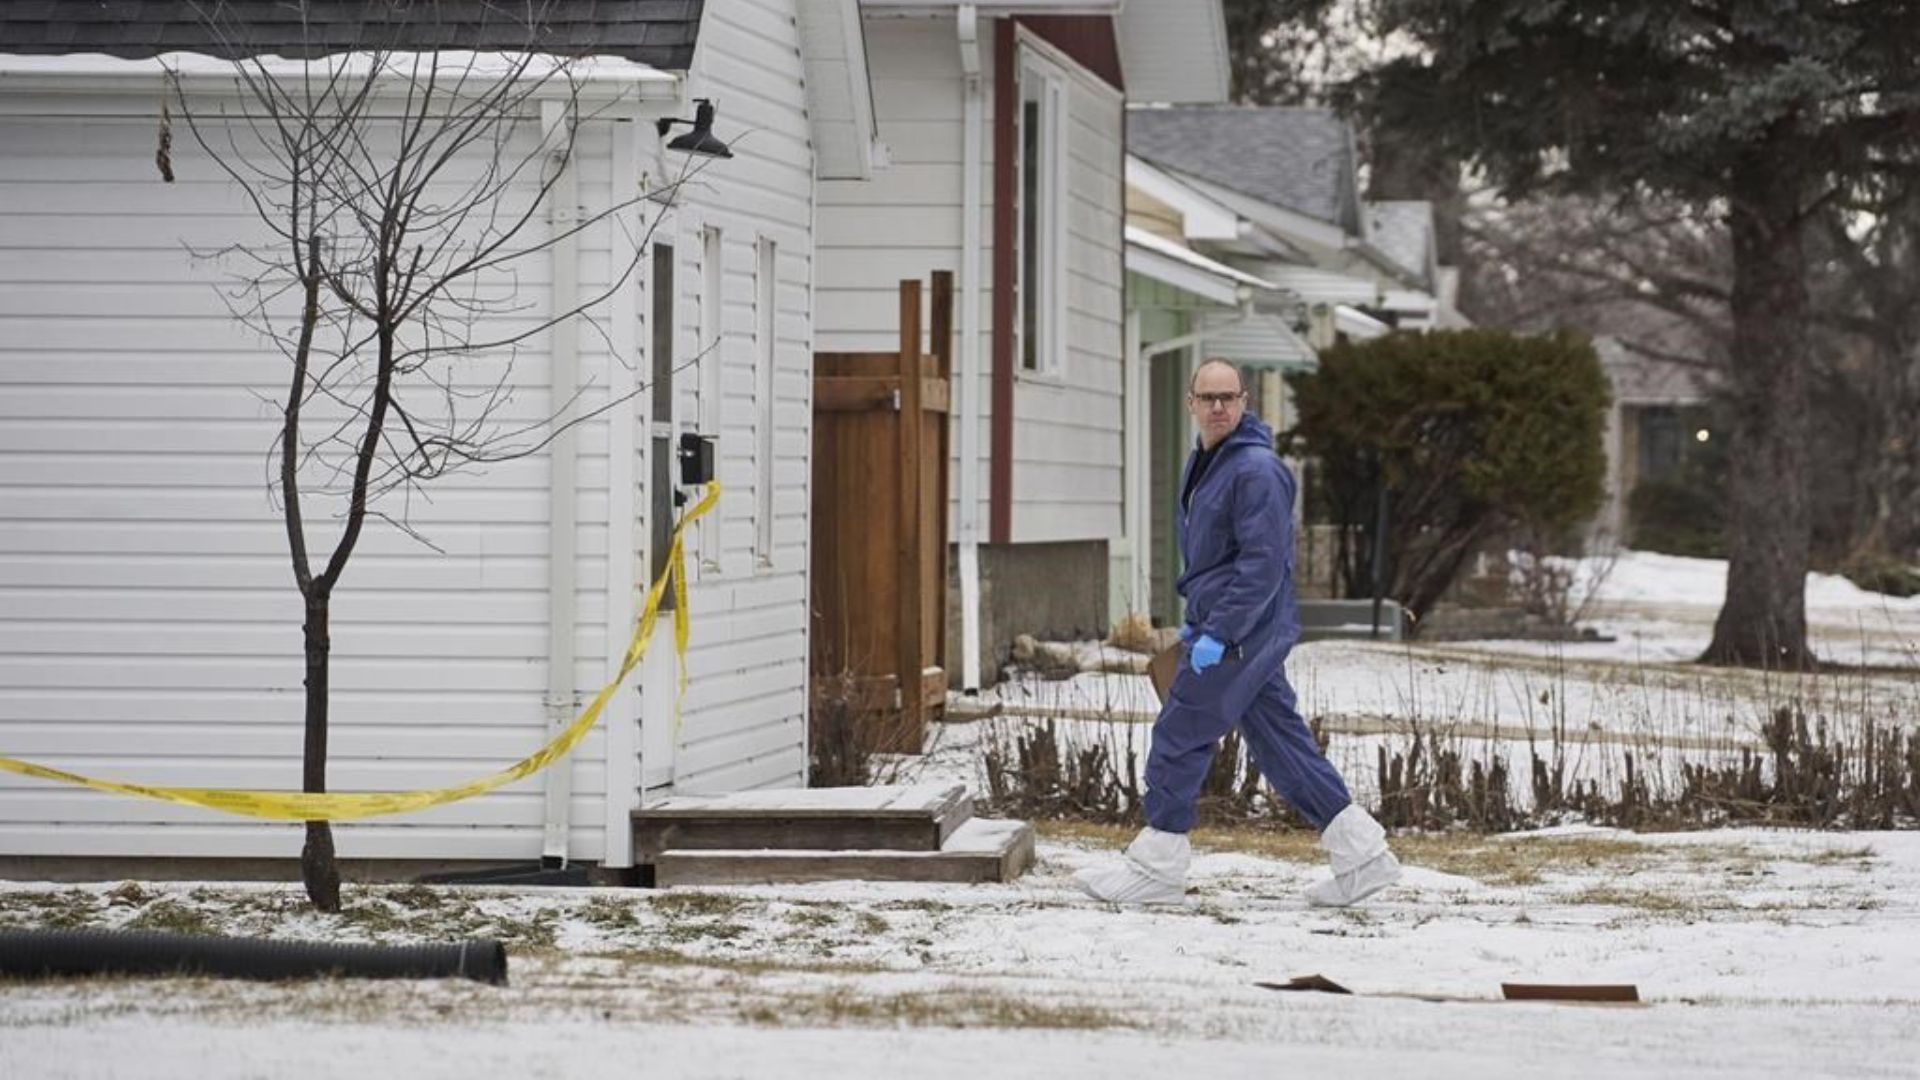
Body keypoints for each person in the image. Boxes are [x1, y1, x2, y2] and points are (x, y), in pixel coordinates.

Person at [1075, 358, 1401, 907]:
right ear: (1192, 404)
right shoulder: (1207, 461)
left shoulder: (1255, 470)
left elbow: (1261, 566)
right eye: (1209, 398)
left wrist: (1219, 632)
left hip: (1241, 629)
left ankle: (1157, 867)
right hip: (1234, 625)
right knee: (1281, 744)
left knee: (1180, 734)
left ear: (1245, 402)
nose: (1219, 407)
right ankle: (1363, 857)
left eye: (1229, 397)